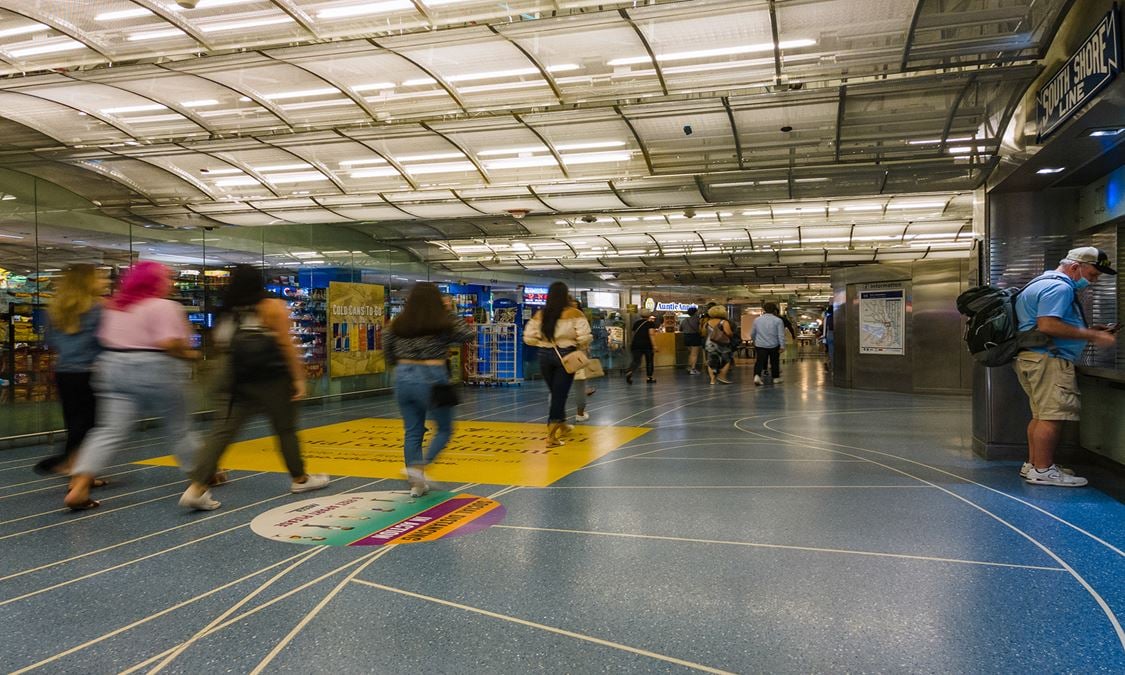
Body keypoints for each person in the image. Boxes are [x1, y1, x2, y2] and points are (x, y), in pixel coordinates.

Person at [179, 265, 329, 511]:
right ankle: (299, 478)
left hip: (236, 382)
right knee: (285, 429)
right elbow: (287, 345)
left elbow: (220, 344)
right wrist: (299, 379)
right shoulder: (271, 307)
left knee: (221, 433)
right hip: (271, 379)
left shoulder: (225, 311)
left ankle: (196, 488)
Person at [64, 261, 201, 511]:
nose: (169, 283)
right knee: (179, 428)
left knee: (108, 431)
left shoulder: (115, 306)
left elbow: (103, 337)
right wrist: (190, 354)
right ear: (155, 282)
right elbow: (169, 342)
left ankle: (80, 486)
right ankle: (201, 478)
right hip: (155, 367)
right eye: (166, 279)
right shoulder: (165, 306)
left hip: (113, 366)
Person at [1012, 247, 1117, 487]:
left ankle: (1035, 463)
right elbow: (1048, 325)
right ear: (1075, 267)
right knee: (1052, 416)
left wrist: (1090, 330)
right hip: (1048, 359)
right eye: (1092, 274)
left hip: (1034, 357)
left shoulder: (1040, 282)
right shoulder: (1060, 287)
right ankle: (1043, 469)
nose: (1093, 280)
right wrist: (1092, 335)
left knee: (1040, 415)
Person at [384, 283, 474, 496]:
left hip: (403, 378)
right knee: (444, 429)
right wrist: (447, 311)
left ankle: (416, 484)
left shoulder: (396, 324)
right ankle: (419, 467)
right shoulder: (443, 321)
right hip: (433, 378)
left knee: (413, 431)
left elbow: (388, 353)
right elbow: (467, 334)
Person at [35, 265, 109, 480]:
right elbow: (104, 340)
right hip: (90, 371)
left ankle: (74, 464)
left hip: (64, 371)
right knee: (91, 424)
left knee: (74, 420)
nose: (105, 281)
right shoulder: (98, 308)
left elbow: (49, 340)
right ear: (88, 281)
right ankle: (74, 467)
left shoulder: (55, 309)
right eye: (100, 277)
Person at [524, 282, 592, 446]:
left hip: (543, 356)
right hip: (566, 356)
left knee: (555, 392)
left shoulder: (540, 314)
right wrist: (579, 346)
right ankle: (551, 436)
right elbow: (585, 337)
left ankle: (562, 425)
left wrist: (541, 342)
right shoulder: (575, 313)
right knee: (559, 394)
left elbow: (528, 338)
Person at [570, 299, 596, 421]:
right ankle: (580, 414)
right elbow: (585, 339)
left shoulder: (556, 316)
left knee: (556, 387)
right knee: (579, 384)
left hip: (559, 354)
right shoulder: (580, 318)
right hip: (577, 353)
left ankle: (555, 417)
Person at [751, 302, 786, 386]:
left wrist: (754, 340)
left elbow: (753, 333)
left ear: (764, 310)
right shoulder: (778, 320)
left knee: (759, 361)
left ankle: (757, 376)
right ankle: (776, 378)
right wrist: (782, 345)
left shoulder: (757, 320)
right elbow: (780, 334)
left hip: (760, 344)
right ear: (774, 310)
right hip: (774, 344)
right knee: (774, 361)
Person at [701, 305, 734, 385]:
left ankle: (712, 380)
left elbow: (703, 333)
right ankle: (722, 376)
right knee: (727, 360)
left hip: (710, 344)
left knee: (711, 361)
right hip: (721, 344)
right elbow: (729, 333)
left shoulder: (707, 322)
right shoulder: (723, 322)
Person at [625, 314, 657, 384]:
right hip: (647, 345)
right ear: (649, 316)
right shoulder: (650, 323)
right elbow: (651, 334)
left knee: (636, 361)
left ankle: (629, 371)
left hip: (636, 344)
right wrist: (654, 345)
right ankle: (649, 377)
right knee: (649, 361)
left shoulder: (636, 323)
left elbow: (633, 334)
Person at [680, 306, 703, 374]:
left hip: (686, 337)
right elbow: (700, 329)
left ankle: (689, 367)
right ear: (695, 312)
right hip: (695, 336)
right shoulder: (698, 319)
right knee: (694, 354)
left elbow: (680, 329)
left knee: (690, 354)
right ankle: (693, 369)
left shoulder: (685, 320)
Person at [821, 304, 835, 372]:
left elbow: (824, 329)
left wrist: (824, 340)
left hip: (829, 334)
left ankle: (833, 367)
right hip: (838, 333)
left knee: (831, 352)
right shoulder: (838, 316)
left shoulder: (827, 317)